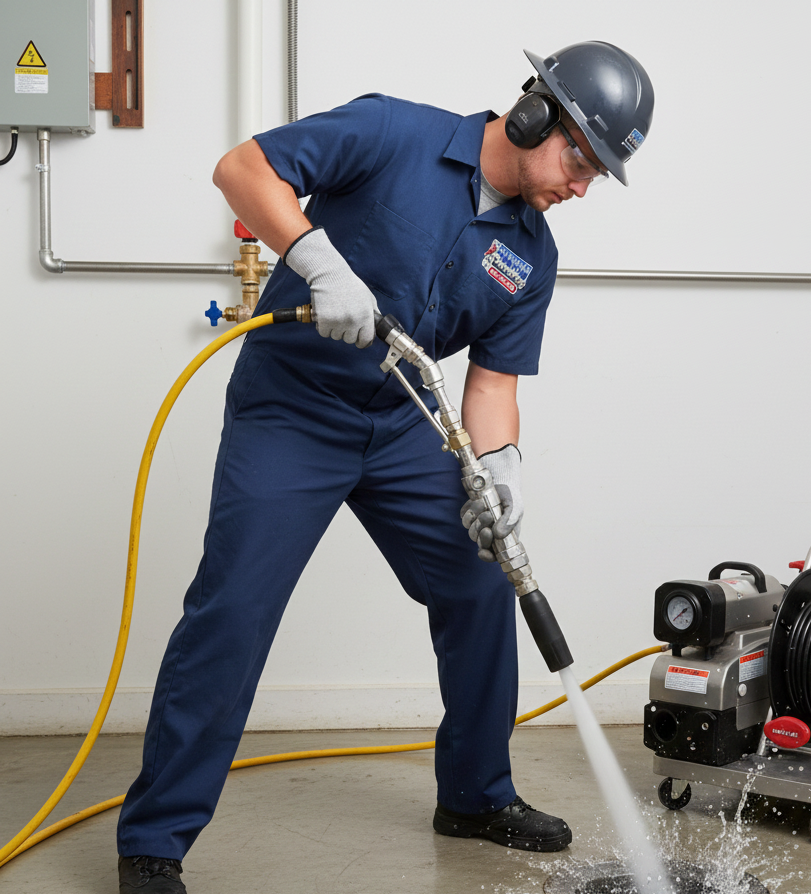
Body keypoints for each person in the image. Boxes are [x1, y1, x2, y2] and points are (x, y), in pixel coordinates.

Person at [115, 41, 654, 894]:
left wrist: (501, 471)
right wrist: (315, 258)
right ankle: (154, 841)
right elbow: (241, 168)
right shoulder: (390, 132)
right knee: (235, 607)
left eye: (595, 175)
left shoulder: (531, 254)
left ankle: (476, 795)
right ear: (532, 115)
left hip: (404, 422)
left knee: (482, 577)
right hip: (291, 410)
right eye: (578, 160)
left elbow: (493, 385)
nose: (580, 187)